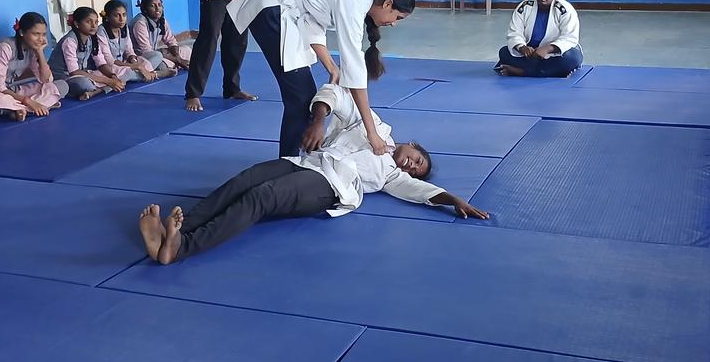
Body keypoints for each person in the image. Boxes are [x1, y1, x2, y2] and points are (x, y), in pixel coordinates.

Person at [137, 84, 488, 264]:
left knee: (262, 197)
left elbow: (421, 192)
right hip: (305, 162)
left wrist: (452, 199)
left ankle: (181, 247)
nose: (410, 165)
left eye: (416, 169)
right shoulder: (375, 126)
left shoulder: (390, 176)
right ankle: (181, 226)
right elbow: (337, 93)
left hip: (329, 185)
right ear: (409, 143)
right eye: (415, 158)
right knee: (244, 180)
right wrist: (318, 119)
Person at [225, 0, 415, 158]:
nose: (393, 24)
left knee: (302, 98)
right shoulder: (355, 0)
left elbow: (313, 23)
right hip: (273, 8)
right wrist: (372, 134)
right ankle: (288, 164)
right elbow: (354, 68)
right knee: (301, 99)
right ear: (388, 4)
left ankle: (291, 161)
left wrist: (331, 67)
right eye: (398, 17)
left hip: (282, 10)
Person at [496, 0, 583, 77]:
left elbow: (569, 38)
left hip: (553, 54)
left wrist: (548, 49)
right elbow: (515, 32)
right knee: (504, 52)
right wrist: (522, 48)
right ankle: (549, 71)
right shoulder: (524, 7)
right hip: (530, 55)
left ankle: (522, 72)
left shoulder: (565, 10)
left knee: (573, 58)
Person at [49, 7, 133, 100]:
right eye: (89, 22)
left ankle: (95, 91)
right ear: (77, 24)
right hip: (65, 78)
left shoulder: (92, 38)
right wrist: (108, 81)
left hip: (84, 73)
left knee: (122, 72)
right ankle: (98, 89)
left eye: (96, 22)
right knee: (84, 84)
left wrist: (112, 76)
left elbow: (101, 63)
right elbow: (74, 72)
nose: (94, 26)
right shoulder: (70, 41)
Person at [100, 0, 160, 83]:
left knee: (157, 55)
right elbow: (109, 61)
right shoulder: (101, 32)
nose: (121, 19)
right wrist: (136, 67)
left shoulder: (124, 28)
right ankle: (155, 74)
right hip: (111, 67)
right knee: (127, 73)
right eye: (117, 15)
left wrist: (134, 62)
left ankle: (140, 75)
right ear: (107, 17)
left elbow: (129, 51)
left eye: (124, 15)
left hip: (125, 63)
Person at [129, 0, 189, 74]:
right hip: (143, 56)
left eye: (159, 5)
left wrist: (178, 57)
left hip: (155, 53)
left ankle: (173, 65)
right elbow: (146, 51)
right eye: (152, 6)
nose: (157, 9)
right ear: (145, 9)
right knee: (160, 62)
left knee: (187, 50)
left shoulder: (162, 20)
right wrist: (178, 60)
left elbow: (171, 41)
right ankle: (168, 67)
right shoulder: (140, 23)